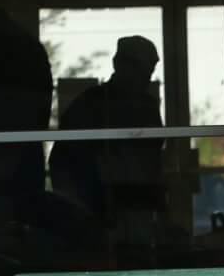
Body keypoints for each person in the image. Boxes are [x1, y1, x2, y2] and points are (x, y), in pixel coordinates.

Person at [48, 35, 165, 224]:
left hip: (139, 211)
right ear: (119, 64)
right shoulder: (90, 105)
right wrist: (77, 212)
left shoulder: (147, 108)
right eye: (140, 70)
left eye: (148, 73)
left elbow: (153, 162)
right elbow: (62, 163)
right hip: (94, 210)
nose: (144, 79)